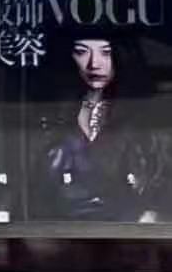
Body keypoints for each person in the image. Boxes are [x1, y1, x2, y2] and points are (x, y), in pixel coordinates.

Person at [30, 29, 170, 221]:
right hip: (66, 225)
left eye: (104, 52)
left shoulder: (142, 115)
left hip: (131, 226)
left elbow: (158, 179)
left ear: (120, 55)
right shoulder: (59, 114)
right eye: (82, 52)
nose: (93, 63)